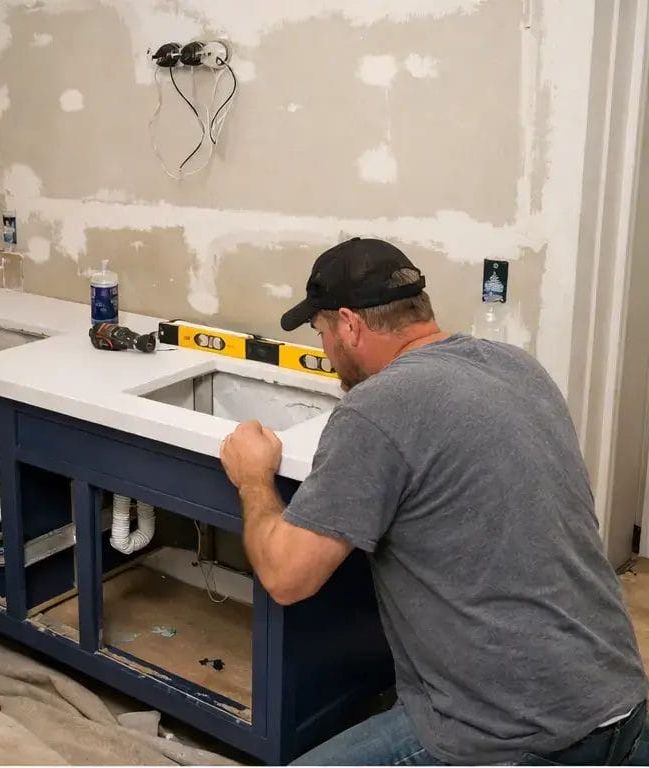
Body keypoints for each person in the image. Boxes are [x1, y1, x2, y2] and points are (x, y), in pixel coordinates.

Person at [219, 237, 648, 765]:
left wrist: (253, 478)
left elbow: (286, 577)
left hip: (509, 739)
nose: (326, 350)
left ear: (350, 325)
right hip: (622, 708)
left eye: (323, 331)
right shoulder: (518, 367)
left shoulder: (377, 408)